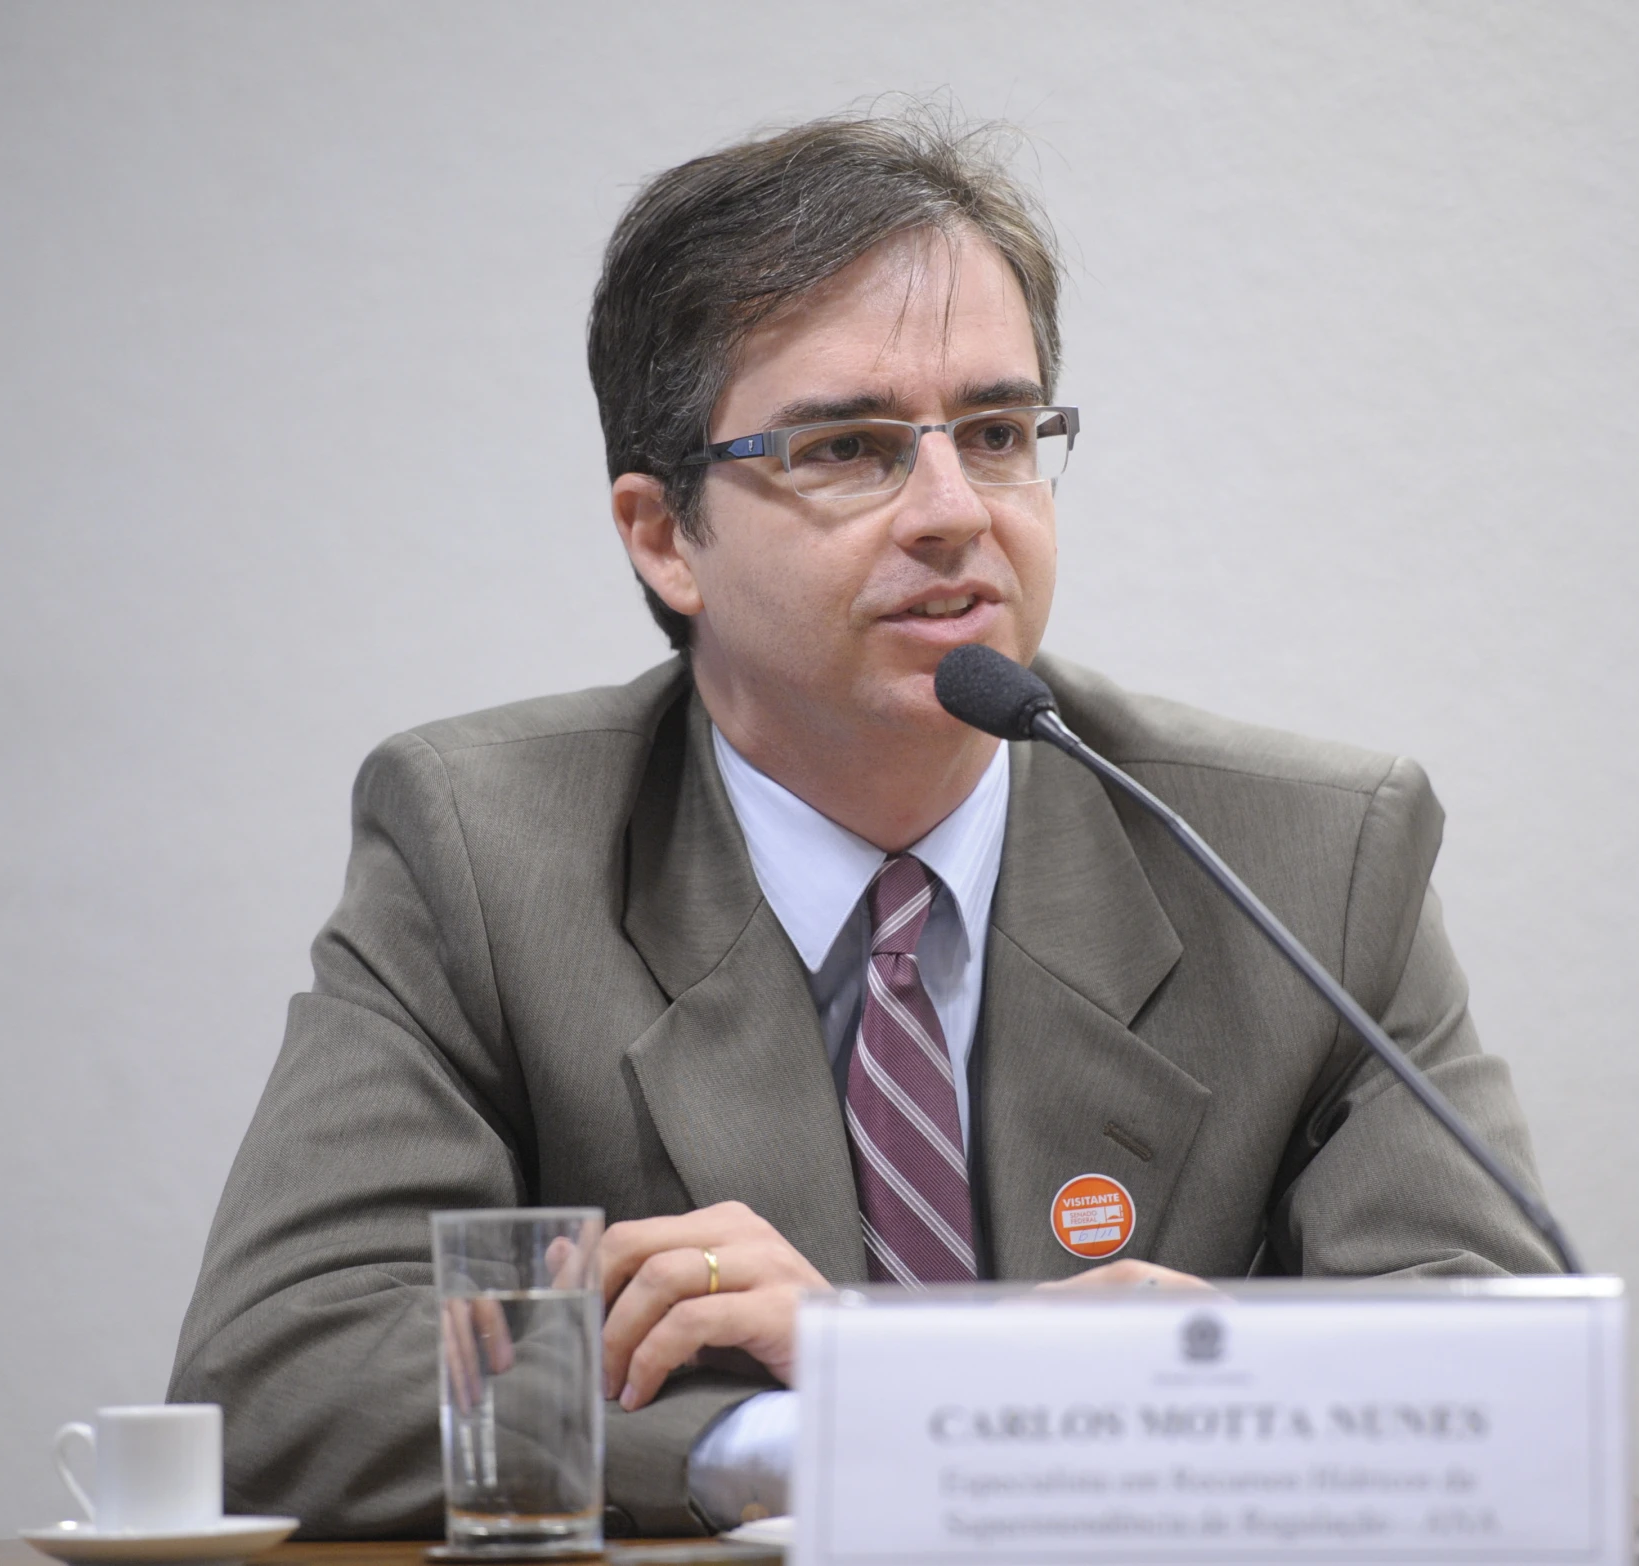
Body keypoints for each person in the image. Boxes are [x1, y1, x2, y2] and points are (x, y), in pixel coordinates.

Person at [167, 110, 1558, 1539]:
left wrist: (923, 1379)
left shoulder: (1312, 854)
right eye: (851, 446)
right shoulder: (485, 848)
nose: (956, 512)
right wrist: (796, 1434)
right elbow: (277, 1372)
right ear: (663, 534)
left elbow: (1513, 1370)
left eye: (1001, 433)